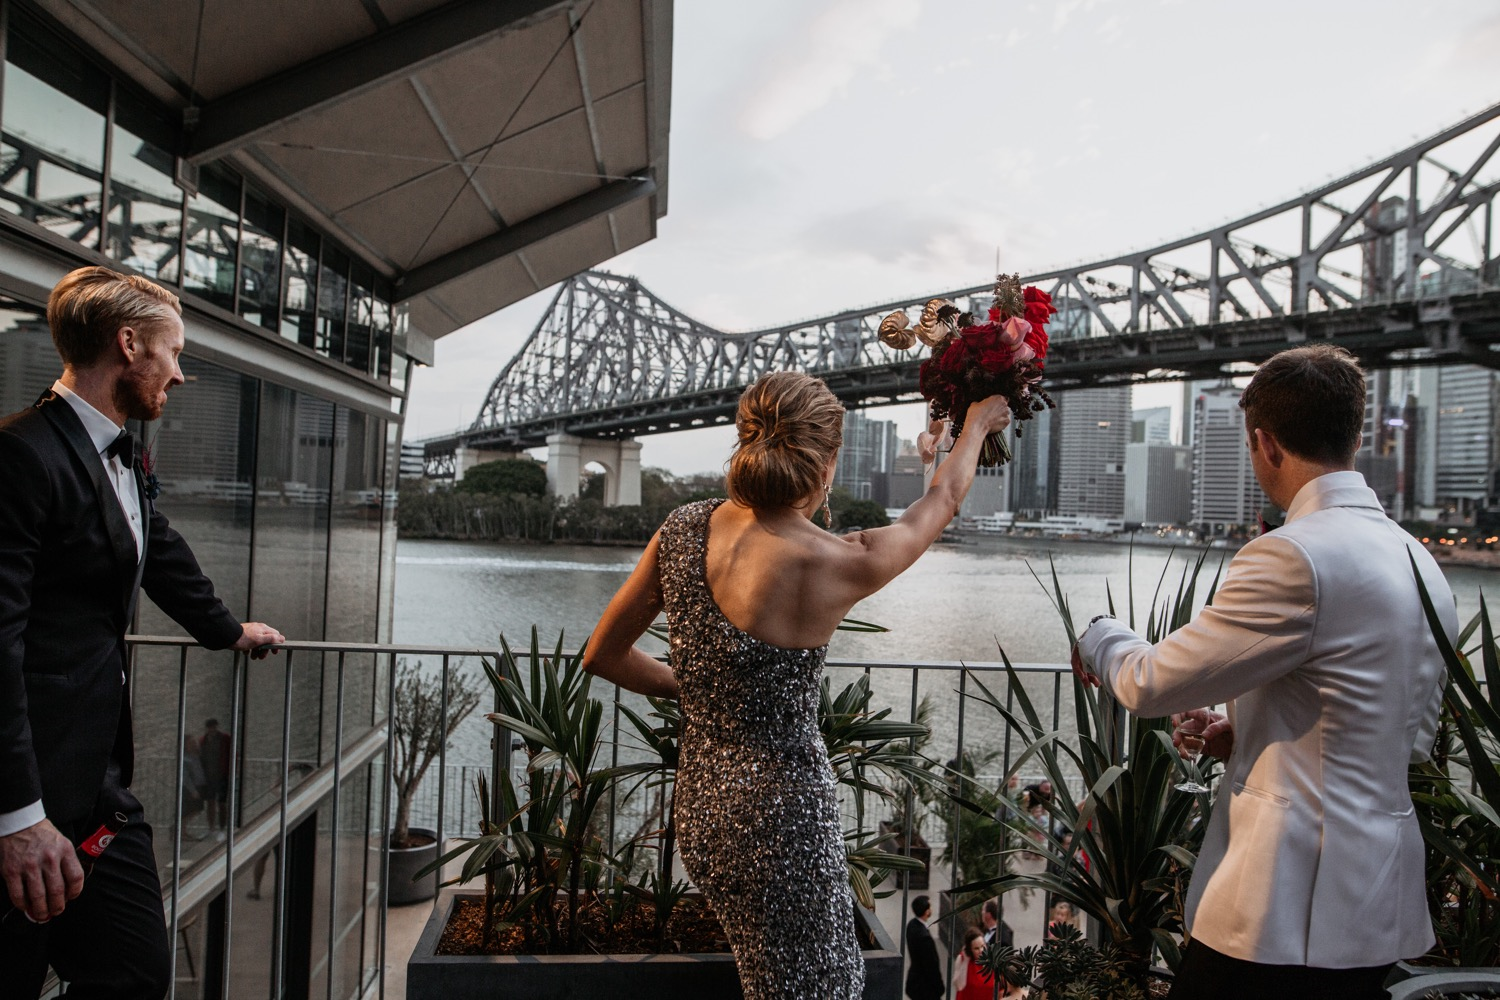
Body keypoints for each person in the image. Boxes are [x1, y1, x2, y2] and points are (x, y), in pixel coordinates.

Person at [583, 370, 1010, 998]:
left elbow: (603, 654)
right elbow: (939, 504)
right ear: (829, 461)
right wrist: (973, 426)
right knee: (827, 986)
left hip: (704, 811)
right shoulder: (835, 562)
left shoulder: (682, 529)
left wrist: (702, 689)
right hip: (784, 826)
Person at [1070, 345, 1456, 1000]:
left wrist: (1097, 632)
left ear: (1264, 444)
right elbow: (1398, 737)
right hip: (1373, 909)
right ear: (1355, 435)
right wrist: (1242, 738)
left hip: (1287, 912)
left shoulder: (1291, 556)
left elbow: (1149, 683)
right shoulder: (1419, 562)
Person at [0, 266, 284, 999]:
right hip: (28, 801)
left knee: (133, 973)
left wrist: (230, 631)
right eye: (174, 352)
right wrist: (18, 817)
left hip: (98, 791)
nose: (181, 375)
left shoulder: (119, 451)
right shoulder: (21, 456)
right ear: (130, 346)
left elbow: (156, 550)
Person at [196, 718, 232, 838]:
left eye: (214, 727)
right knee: (210, 802)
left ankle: (222, 829)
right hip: (208, 777)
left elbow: (232, 754)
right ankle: (211, 828)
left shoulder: (225, 738)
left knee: (222, 803)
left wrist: (231, 771)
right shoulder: (203, 740)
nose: (212, 729)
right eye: (210, 727)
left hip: (222, 776)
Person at [904, 895, 944, 1000]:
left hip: (915, 982)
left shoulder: (911, 925)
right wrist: (939, 987)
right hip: (925, 988)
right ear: (926, 911)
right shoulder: (925, 938)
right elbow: (932, 965)